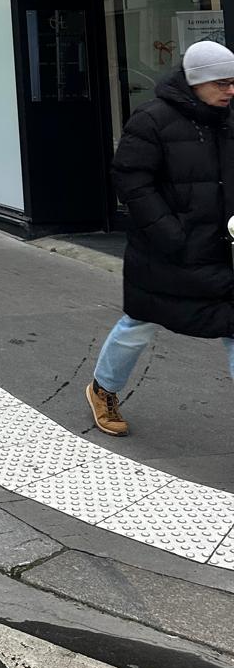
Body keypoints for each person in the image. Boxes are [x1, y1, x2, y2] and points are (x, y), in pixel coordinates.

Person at [86, 40, 234, 437]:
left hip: (227, 251)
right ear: (196, 81)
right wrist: (170, 233)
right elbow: (131, 181)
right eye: (222, 82)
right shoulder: (152, 119)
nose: (230, 90)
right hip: (170, 251)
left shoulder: (229, 118)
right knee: (139, 323)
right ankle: (103, 389)